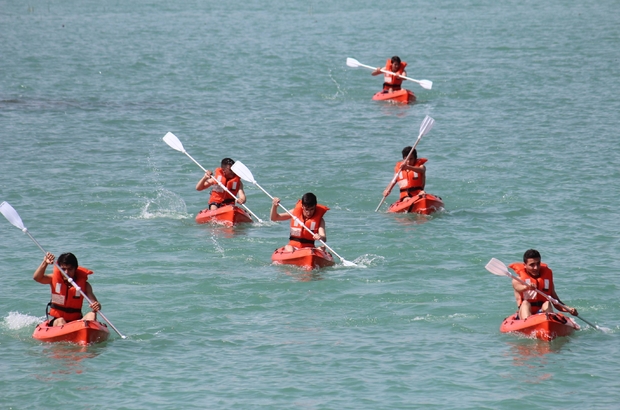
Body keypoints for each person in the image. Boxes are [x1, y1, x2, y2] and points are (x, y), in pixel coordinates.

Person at [33, 252, 101, 327]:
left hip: (76, 320)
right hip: (56, 320)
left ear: (75, 269)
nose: (66, 272)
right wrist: (45, 262)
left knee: (92, 314)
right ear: (59, 268)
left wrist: (96, 306)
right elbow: (37, 278)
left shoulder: (85, 285)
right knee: (61, 321)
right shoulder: (52, 279)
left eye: (70, 269)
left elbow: (95, 304)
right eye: (63, 269)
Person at [509, 249, 578, 320]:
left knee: (547, 303)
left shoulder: (547, 280)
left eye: (538, 264)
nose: (536, 268)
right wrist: (527, 287)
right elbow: (518, 287)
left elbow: (556, 302)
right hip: (525, 312)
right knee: (525, 303)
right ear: (525, 265)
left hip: (541, 312)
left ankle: (548, 322)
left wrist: (569, 309)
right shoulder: (518, 280)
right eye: (532, 265)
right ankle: (529, 323)